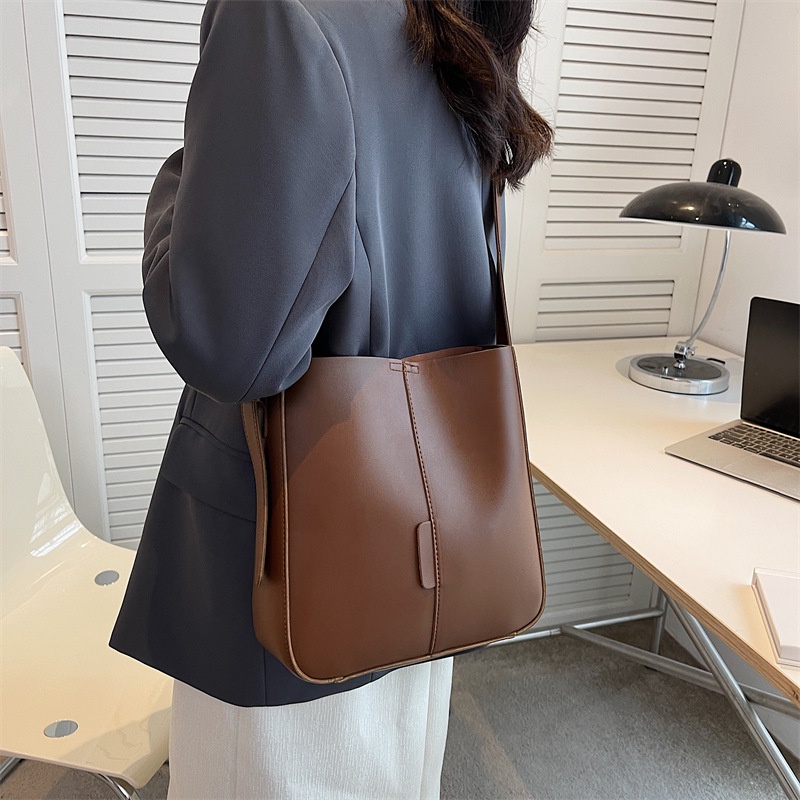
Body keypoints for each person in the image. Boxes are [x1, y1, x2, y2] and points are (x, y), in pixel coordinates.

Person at [109, 0, 552, 797]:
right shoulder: (452, 17)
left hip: (295, 557)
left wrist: (182, 175)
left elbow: (231, 347)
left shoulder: (280, 13)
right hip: (429, 547)